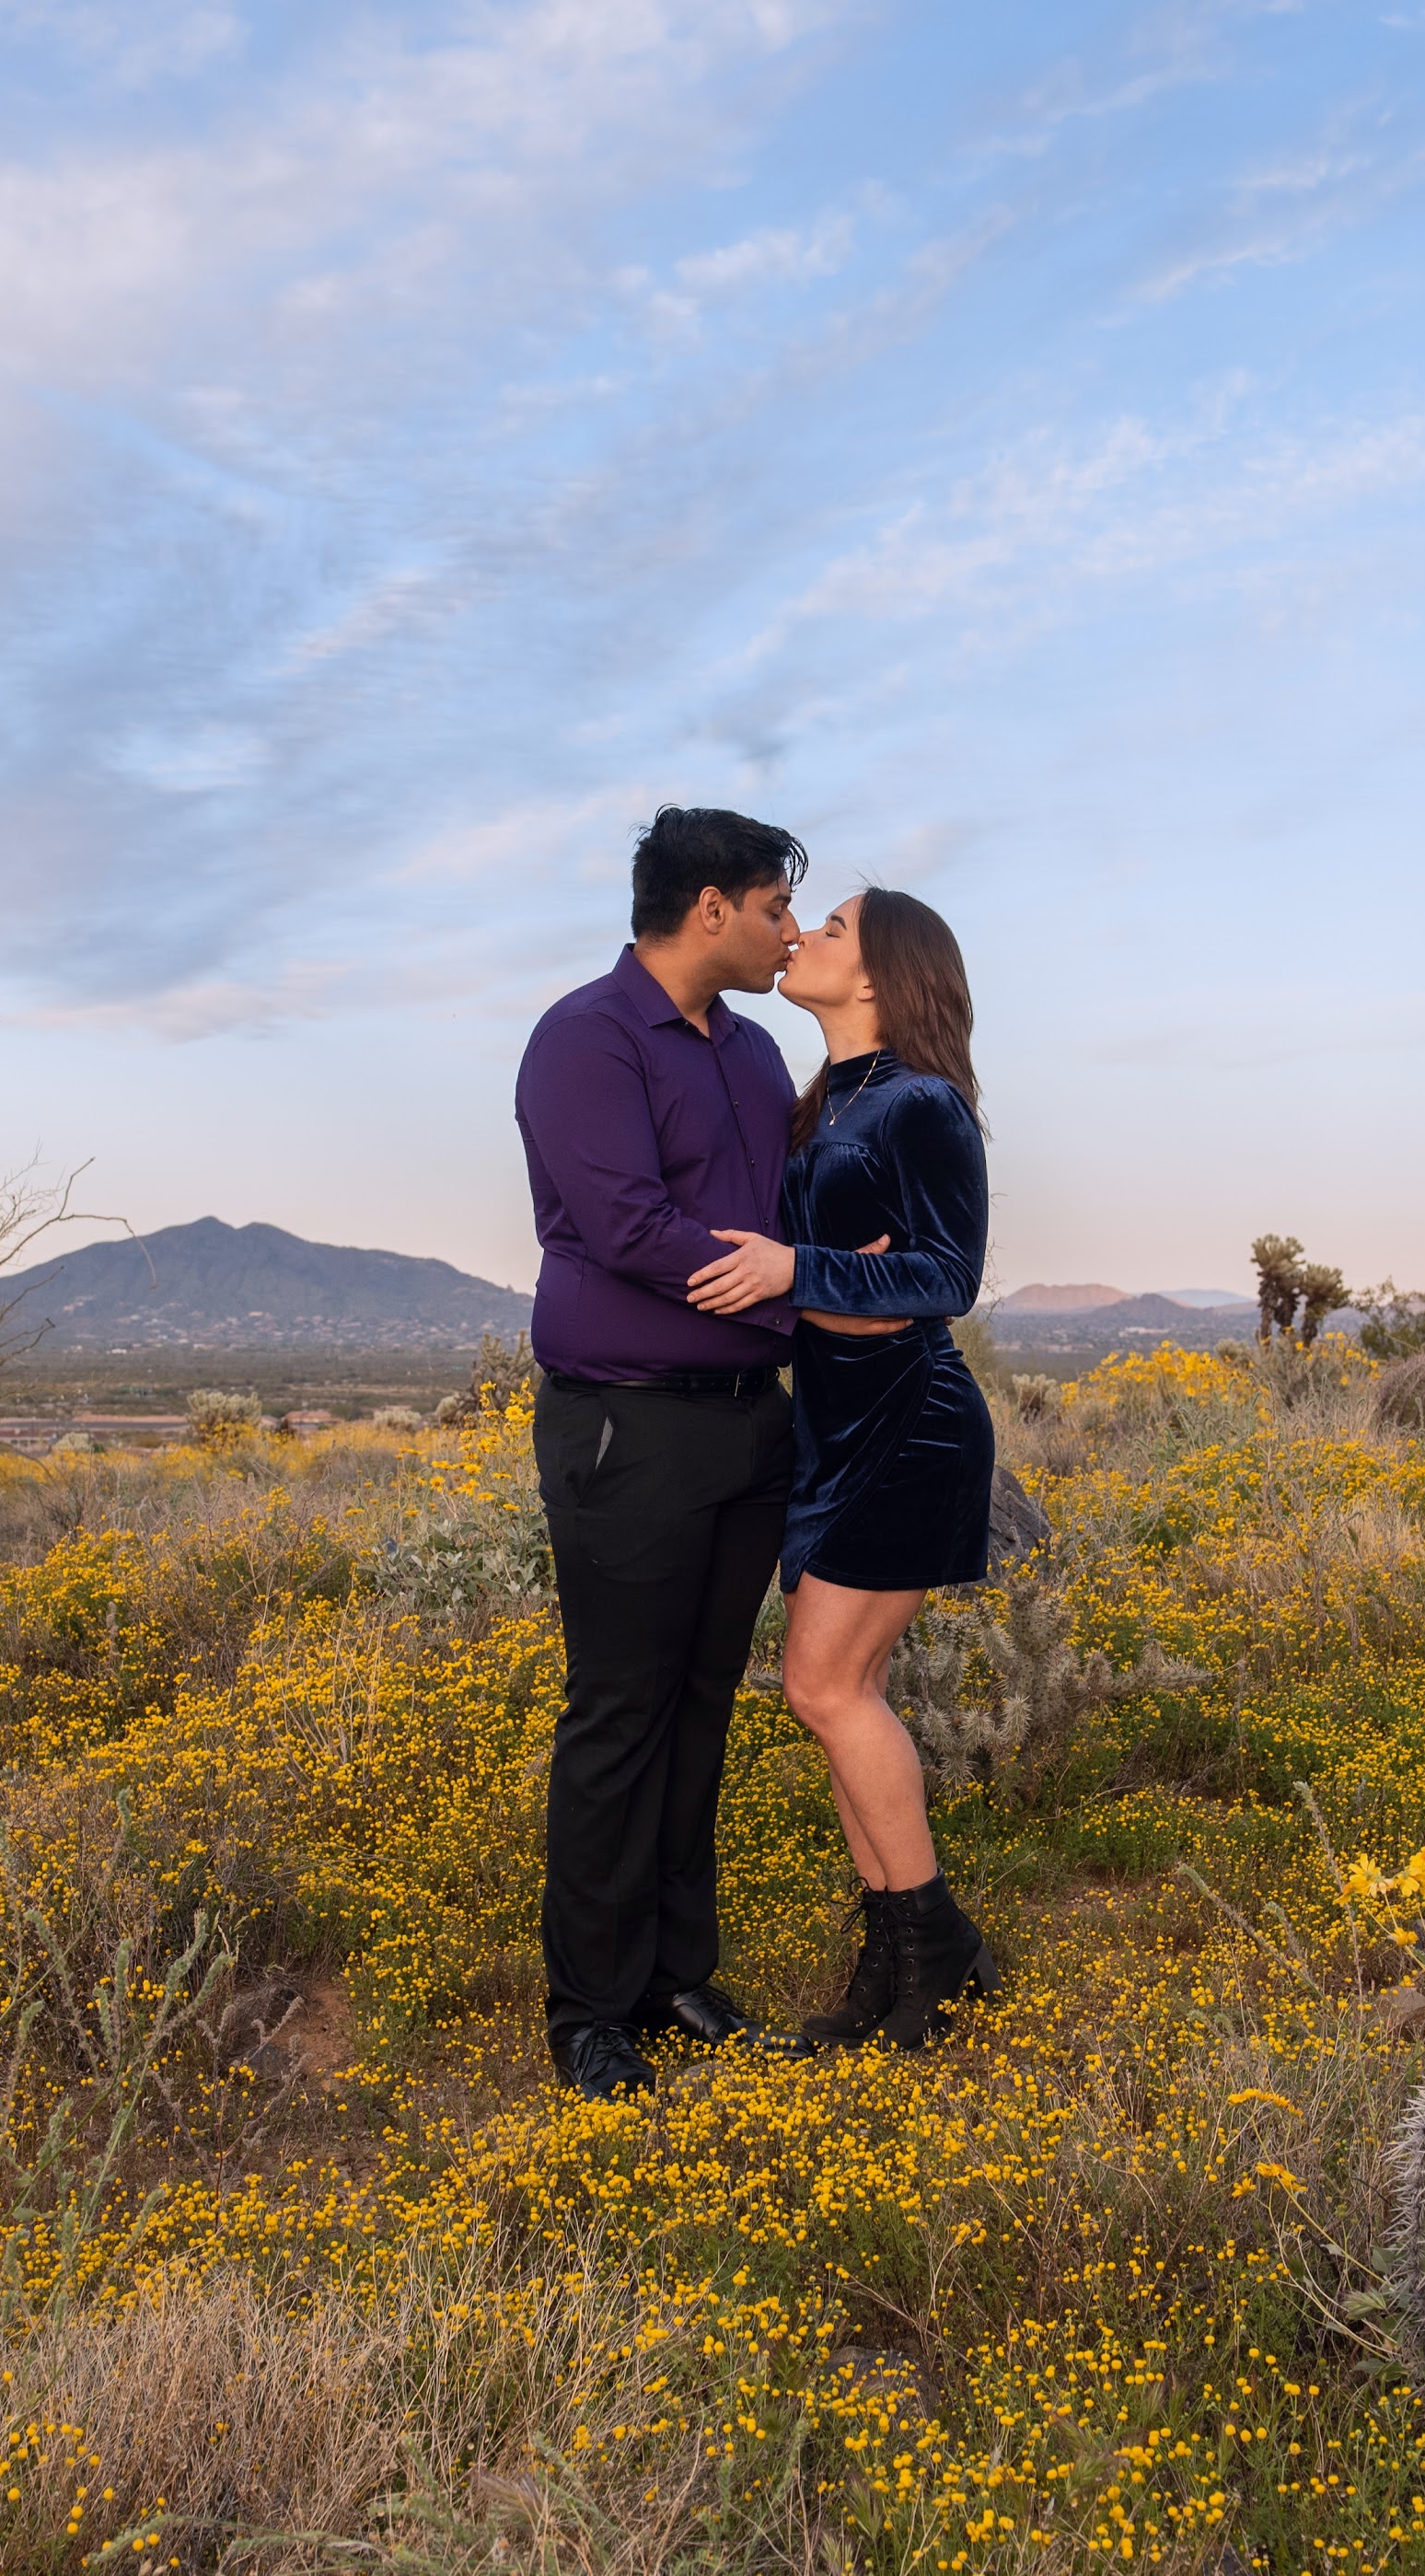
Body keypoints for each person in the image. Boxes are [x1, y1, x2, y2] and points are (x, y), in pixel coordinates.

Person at [512, 806, 808, 2101]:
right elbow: (631, 1228)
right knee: (619, 1712)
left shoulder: (750, 1058)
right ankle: (589, 2008)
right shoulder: (585, 1039)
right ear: (709, 907)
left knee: (699, 1702)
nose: (790, 932)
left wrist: (816, 1288)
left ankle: (676, 1969)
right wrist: (818, 1303)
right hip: (629, 1425)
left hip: (750, 1423)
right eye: (774, 907)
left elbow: (782, 1219)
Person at [685, 889, 999, 2051]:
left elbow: (944, 1275)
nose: (802, 936)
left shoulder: (920, 1105)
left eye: (830, 927)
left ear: (877, 975)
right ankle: (896, 1955)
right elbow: (834, 1272)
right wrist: (814, 1270)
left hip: (907, 1427)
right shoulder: (829, 1102)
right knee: (828, 1694)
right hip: (835, 1425)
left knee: (825, 1687)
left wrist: (799, 1267)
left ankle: (938, 1949)